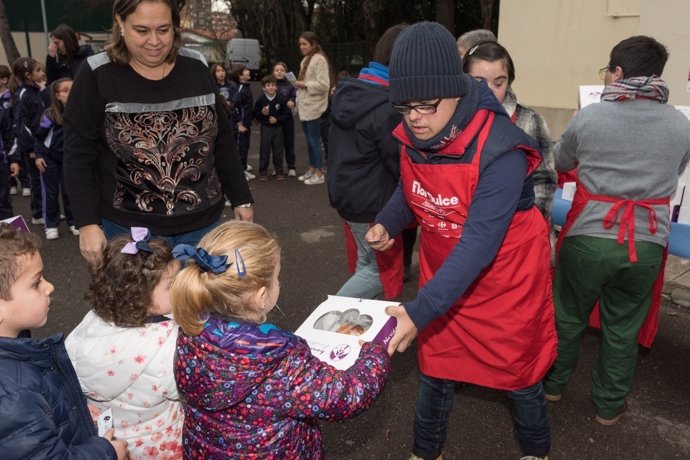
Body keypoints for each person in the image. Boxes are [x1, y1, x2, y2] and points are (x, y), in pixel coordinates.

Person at [366, 22, 556, 460]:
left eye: (426, 105)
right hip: (445, 275)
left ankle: (535, 450)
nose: (415, 117)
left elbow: (481, 242)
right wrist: (389, 222)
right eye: (404, 106)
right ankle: (424, 451)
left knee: (520, 376)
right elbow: (409, 187)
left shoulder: (503, 149)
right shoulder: (419, 133)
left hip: (504, 281)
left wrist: (421, 308)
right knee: (436, 370)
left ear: (456, 89)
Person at [542, 36, 690, 426]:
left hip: (589, 236)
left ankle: (553, 386)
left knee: (568, 315)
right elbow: (674, 172)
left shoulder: (591, 116)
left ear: (618, 72)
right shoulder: (680, 123)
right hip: (647, 242)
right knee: (622, 328)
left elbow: (562, 160)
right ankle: (608, 407)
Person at [171, 220, 391, 458]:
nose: (278, 282)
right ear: (262, 296)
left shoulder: (190, 332)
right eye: (276, 276)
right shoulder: (280, 363)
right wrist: (375, 354)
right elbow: (347, 396)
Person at [63, 0, 254, 268]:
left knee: (198, 308)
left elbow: (221, 140)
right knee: (138, 309)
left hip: (202, 228)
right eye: (142, 30)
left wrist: (241, 197)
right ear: (120, 22)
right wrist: (86, 223)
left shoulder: (196, 66)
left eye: (164, 30)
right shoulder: (96, 73)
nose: (154, 41)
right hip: (129, 233)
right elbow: (77, 155)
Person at [0, 224, 128, 459]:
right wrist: (105, 452)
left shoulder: (16, 352)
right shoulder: (14, 395)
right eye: (36, 283)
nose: (49, 287)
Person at [66, 227, 184, 458]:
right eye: (171, 285)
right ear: (140, 296)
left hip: (109, 440)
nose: (180, 287)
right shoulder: (169, 344)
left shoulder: (92, 322)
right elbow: (183, 387)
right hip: (158, 442)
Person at [327, 24, 417, 300]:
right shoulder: (386, 106)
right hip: (371, 203)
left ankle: (354, 327)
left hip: (348, 195)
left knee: (365, 266)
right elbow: (397, 162)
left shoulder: (352, 91)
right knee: (376, 274)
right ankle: (326, 324)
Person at [463, 41, 558, 221]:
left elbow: (545, 180)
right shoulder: (453, 121)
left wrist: (530, 221)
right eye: (479, 83)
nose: (489, 91)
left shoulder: (530, 120)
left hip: (518, 230)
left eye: (498, 83)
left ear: (509, 82)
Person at [33, 78, 80, 240]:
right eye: (65, 90)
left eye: (73, 88)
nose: (71, 92)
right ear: (57, 95)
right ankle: (51, 225)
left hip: (70, 159)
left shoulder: (81, 111)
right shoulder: (50, 114)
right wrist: (38, 156)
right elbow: (38, 137)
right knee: (51, 193)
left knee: (70, 191)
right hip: (49, 159)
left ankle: (74, 221)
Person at [294, 31, 332, 185]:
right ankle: (311, 169)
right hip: (304, 106)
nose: (301, 47)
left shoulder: (319, 60)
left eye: (304, 44)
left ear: (313, 44)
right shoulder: (305, 60)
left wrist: (304, 84)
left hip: (314, 107)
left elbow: (324, 85)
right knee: (310, 141)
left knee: (314, 140)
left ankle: (319, 173)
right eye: (300, 44)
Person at [12, 57, 47, 225]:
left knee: (45, 180)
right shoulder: (23, 95)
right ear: (28, 75)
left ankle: (46, 210)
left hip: (42, 143)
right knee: (37, 181)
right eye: (38, 70)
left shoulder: (36, 90)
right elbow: (21, 125)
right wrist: (32, 146)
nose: (42, 73)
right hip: (33, 146)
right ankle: (38, 213)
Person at [253, 75, 289, 181]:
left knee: (278, 149)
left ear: (276, 87)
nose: (271, 87)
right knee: (264, 149)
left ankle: (279, 171)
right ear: (263, 88)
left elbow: (286, 114)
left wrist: (277, 119)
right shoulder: (261, 99)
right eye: (268, 85)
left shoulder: (281, 99)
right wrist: (262, 113)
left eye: (273, 85)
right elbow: (255, 113)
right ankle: (263, 171)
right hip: (266, 128)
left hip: (278, 128)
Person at [228, 63, 255, 179]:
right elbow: (234, 107)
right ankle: (239, 173)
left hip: (246, 124)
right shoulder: (239, 89)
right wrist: (239, 124)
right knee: (240, 149)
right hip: (240, 126)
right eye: (245, 70)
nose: (248, 71)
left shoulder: (246, 87)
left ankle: (243, 168)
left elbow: (247, 107)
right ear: (240, 75)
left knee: (245, 147)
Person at [272, 61, 297, 176]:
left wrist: (292, 100)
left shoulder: (290, 85)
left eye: (282, 70)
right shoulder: (271, 85)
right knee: (276, 144)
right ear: (273, 72)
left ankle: (291, 167)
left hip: (287, 119)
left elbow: (295, 94)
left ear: (286, 72)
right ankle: (277, 167)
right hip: (275, 119)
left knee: (289, 143)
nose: (279, 72)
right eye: (277, 70)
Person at [0, 65, 15, 219]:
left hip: (1, 162)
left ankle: (9, 240)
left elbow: (8, 135)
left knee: (4, 201)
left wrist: (14, 160)